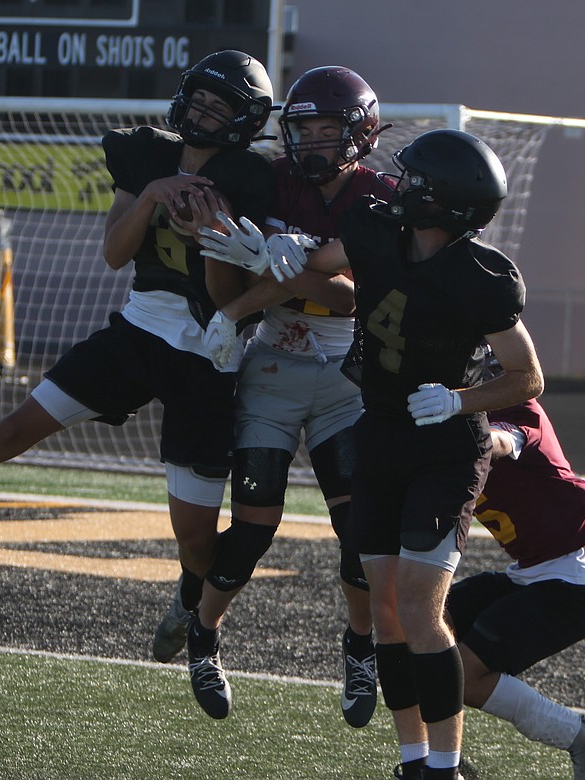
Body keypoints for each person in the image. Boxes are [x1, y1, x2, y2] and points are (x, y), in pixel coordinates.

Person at [0, 50, 277, 668]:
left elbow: (229, 301)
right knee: (13, 428)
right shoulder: (146, 154)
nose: (202, 113)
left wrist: (213, 238)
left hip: (208, 354)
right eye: (198, 99)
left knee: (195, 539)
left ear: (244, 123)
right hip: (137, 332)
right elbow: (115, 254)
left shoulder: (253, 179)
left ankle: (192, 598)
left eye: (219, 108)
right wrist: (152, 196)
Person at [202, 128, 544, 780]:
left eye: (417, 183)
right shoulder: (375, 228)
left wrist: (458, 400)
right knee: (385, 608)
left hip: (444, 448)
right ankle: (412, 759)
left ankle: (444, 768)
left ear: (447, 204)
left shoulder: (482, 277)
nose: (401, 188)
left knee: (419, 608)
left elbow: (527, 379)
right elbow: (322, 262)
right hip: (378, 435)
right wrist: (268, 253)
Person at [181, 66, 392, 725]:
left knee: (357, 535)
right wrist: (243, 279)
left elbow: (348, 295)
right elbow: (251, 263)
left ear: (358, 133)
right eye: (302, 129)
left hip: (344, 379)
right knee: (252, 529)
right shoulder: (270, 180)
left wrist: (286, 263)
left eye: (326, 130)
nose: (310, 143)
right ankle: (204, 635)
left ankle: (359, 647)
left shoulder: (377, 198)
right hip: (271, 367)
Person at [437, 394, 585, 780]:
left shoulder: (516, 406)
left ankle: (584, 736)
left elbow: (500, 441)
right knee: (421, 628)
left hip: (572, 582)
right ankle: (439, 764)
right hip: (528, 572)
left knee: (466, 677)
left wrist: (450, 425)